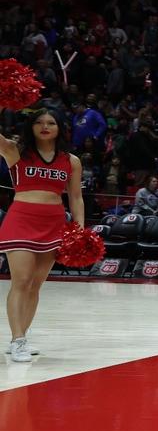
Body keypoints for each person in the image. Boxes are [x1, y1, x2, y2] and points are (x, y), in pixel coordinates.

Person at [0, 108, 84, 362]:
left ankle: (22, 335)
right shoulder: (16, 151)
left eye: (51, 122)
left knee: (35, 284)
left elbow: (76, 198)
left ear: (60, 127)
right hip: (21, 220)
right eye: (38, 122)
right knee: (22, 280)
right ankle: (17, 340)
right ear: (31, 126)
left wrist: (78, 228)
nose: (45, 126)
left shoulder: (70, 160)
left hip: (54, 223)